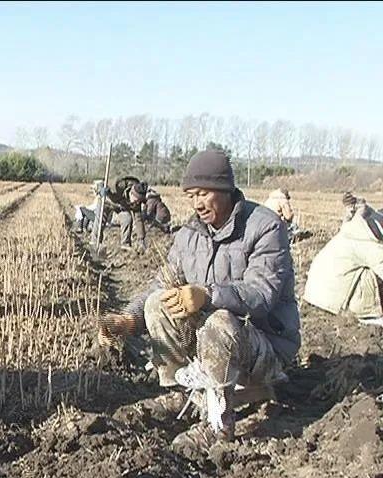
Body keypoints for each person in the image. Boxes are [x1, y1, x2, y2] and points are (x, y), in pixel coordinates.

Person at [98, 149, 300, 457]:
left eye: (203, 194)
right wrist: (128, 320)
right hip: (212, 342)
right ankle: (188, 394)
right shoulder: (190, 234)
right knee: (157, 304)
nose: (197, 203)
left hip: (264, 346)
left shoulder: (265, 227)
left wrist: (207, 294)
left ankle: (219, 422)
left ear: (225, 189)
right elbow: (160, 284)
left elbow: (262, 294)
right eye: (191, 195)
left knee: (218, 321)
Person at [304, 198, 383, 327]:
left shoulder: (354, 230)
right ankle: (368, 315)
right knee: (374, 275)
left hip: (316, 296)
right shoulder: (368, 243)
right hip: (333, 303)